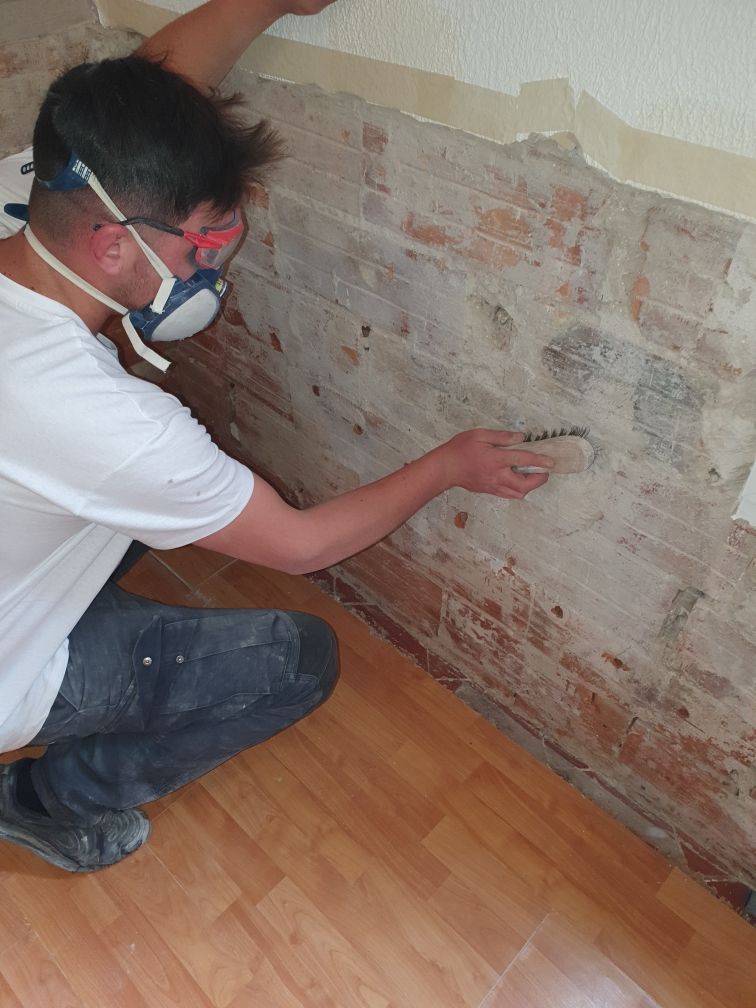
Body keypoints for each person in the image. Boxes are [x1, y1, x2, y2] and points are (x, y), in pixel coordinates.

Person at [0, 0, 552, 873]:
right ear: (112, 246)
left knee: (150, 508)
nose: (211, 278)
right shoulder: (103, 420)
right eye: (199, 258)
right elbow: (299, 546)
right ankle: (45, 801)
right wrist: (449, 464)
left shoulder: (40, 198)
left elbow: (151, 88)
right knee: (298, 659)